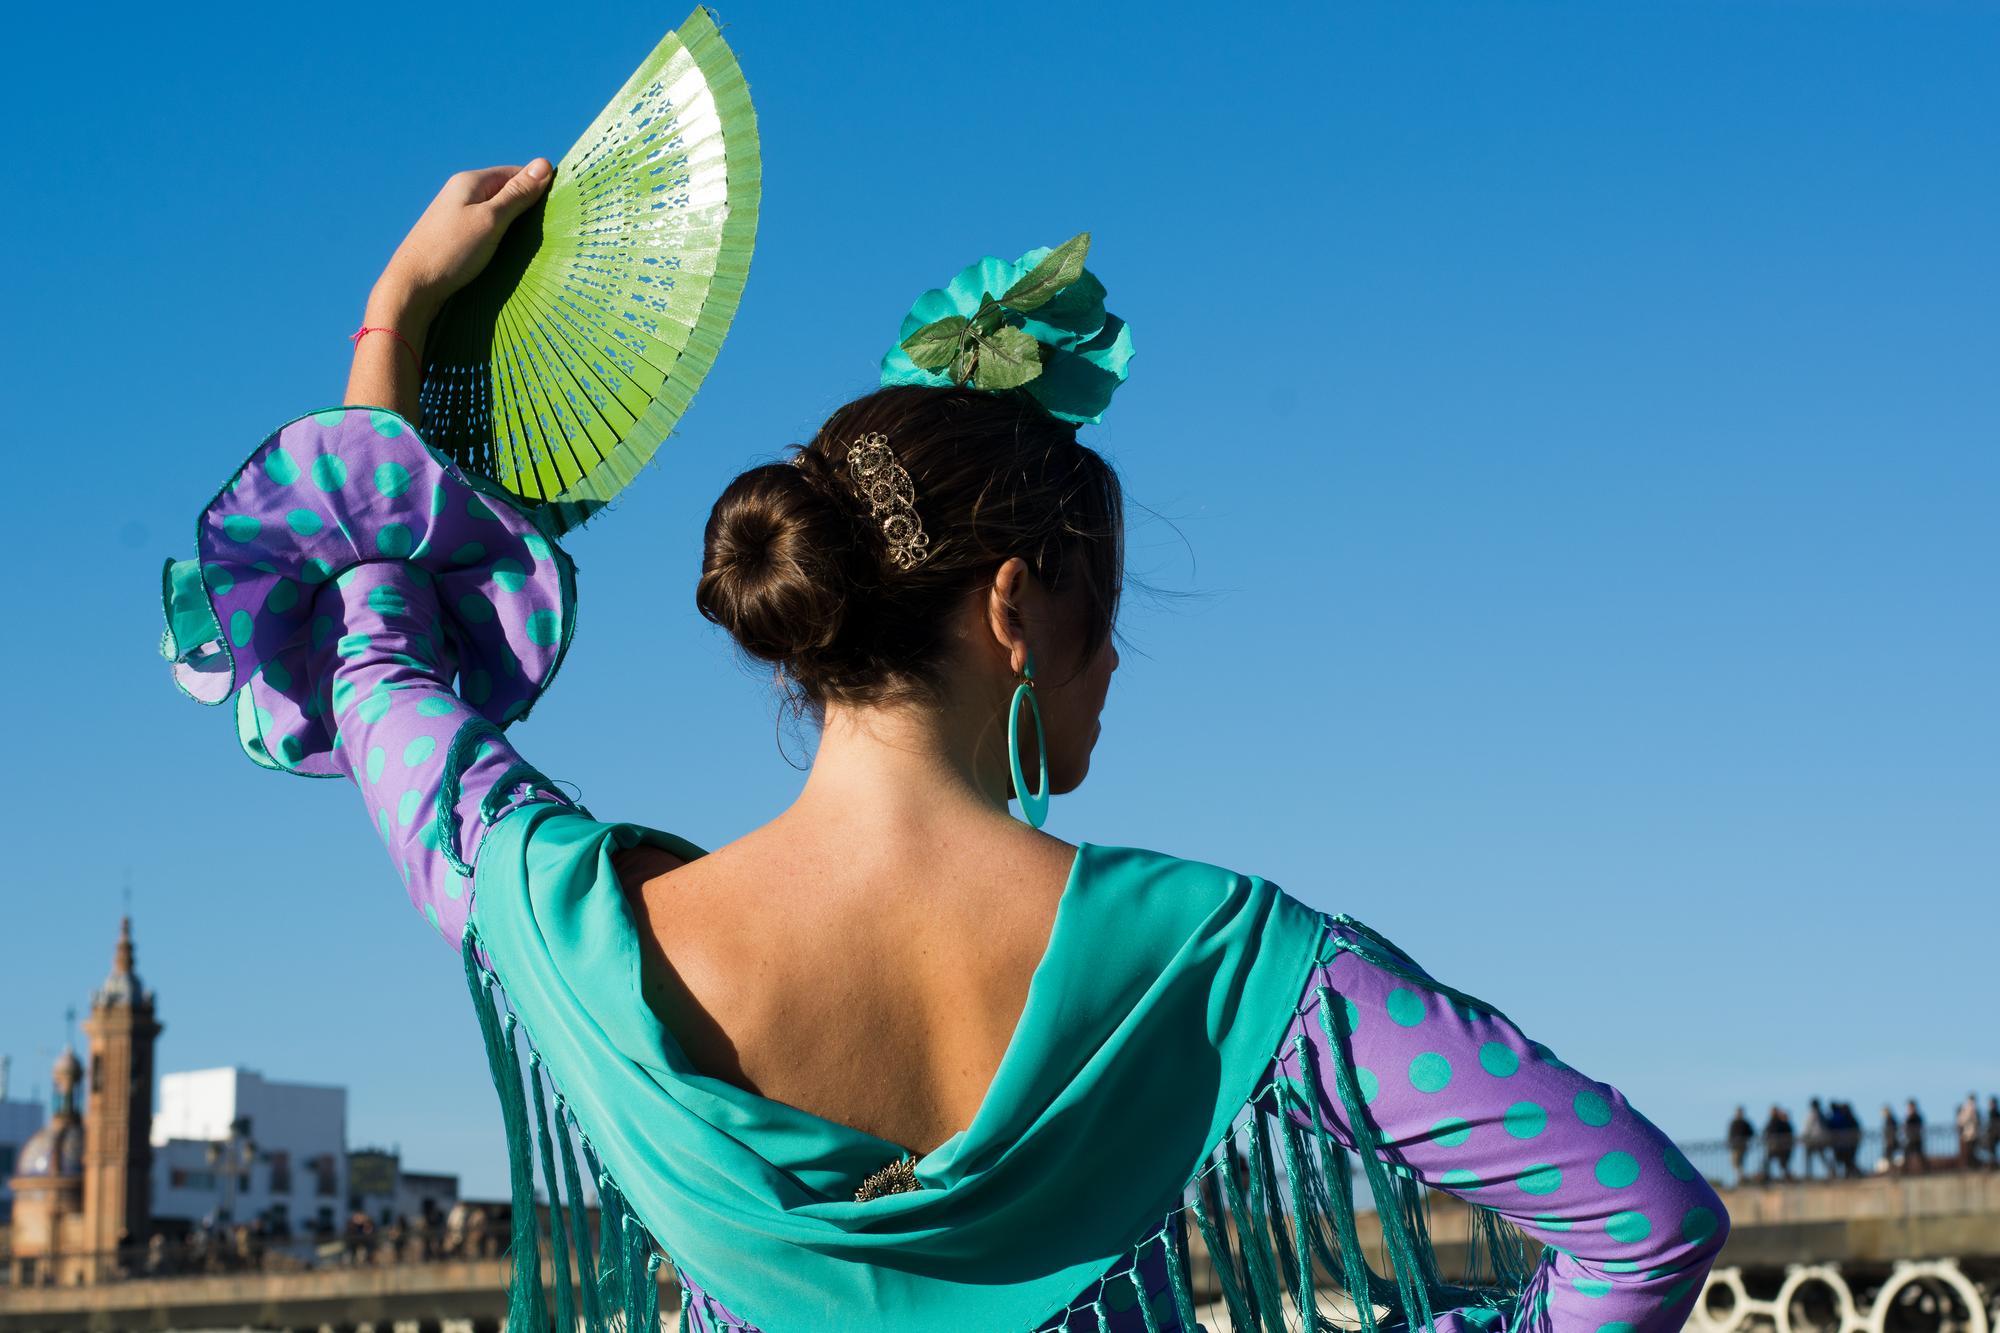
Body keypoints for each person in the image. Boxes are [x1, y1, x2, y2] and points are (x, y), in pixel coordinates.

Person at [157, 162, 1731, 1333]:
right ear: (1010, 607)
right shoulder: (1221, 961)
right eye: (1100, 615)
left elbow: (385, 681)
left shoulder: (575, 933)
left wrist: (397, 324)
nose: (1113, 663)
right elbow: (1644, 1226)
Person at [1761, 1105, 1795, 1183]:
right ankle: (1783, 1177)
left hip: (1779, 1148)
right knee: (1781, 1164)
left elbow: (1766, 1132)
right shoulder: (1779, 1122)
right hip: (1779, 1147)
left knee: (1781, 1164)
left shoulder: (1778, 1123)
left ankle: (1782, 1178)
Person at [1801, 1097, 1833, 1180]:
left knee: (1811, 1156)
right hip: (1820, 1139)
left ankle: (1808, 1174)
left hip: (1814, 1140)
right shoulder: (1821, 1114)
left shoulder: (1812, 1115)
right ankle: (1830, 1171)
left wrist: (1804, 1137)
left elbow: (1808, 1128)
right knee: (1821, 1156)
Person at [1727, 1105, 1756, 1186]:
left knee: (1739, 1163)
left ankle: (1740, 1178)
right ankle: (1739, 1178)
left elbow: (1751, 1133)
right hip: (1735, 1146)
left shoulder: (1745, 1123)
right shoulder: (1734, 1123)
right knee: (1735, 1163)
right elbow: (1730, 1134)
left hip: (1742, 1146)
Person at [1902, 1099, 1929, 1175]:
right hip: (1910, 1139)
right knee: (1907, 1155)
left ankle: (1925, 1170)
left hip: (1916, 1139)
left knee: (1919, 1156)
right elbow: (1905, 1127)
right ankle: (1906, 1171)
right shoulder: (1909, 1116)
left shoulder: (1917, 1116)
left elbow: (1919, 1127)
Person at [1957, 1093, 1982, 1171]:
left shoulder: (1977, 1111)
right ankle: (1968, 1167)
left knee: (1974, 1152)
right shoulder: (1964, 1109)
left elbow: (1978, 1122)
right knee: (1967, 1153)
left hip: (1975, 1134)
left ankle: (1974, 1167)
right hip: (1967, 1135)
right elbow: (1960, 1121)